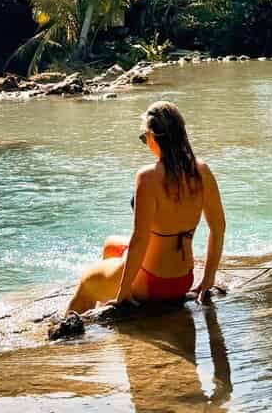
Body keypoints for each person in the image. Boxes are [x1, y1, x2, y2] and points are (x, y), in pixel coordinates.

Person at [65, 99, 225, 315]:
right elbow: (218, 228)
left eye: (144, 137)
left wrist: (122, 293)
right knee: (111, 245)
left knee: (86, 282)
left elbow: (139, 240)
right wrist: (208, 278)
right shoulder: (201, 171)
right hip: (182, 279)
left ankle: (68, 339)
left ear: (154, 137)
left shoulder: (147, 177)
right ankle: (116, 320)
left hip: (151, 282)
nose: (145, 142)